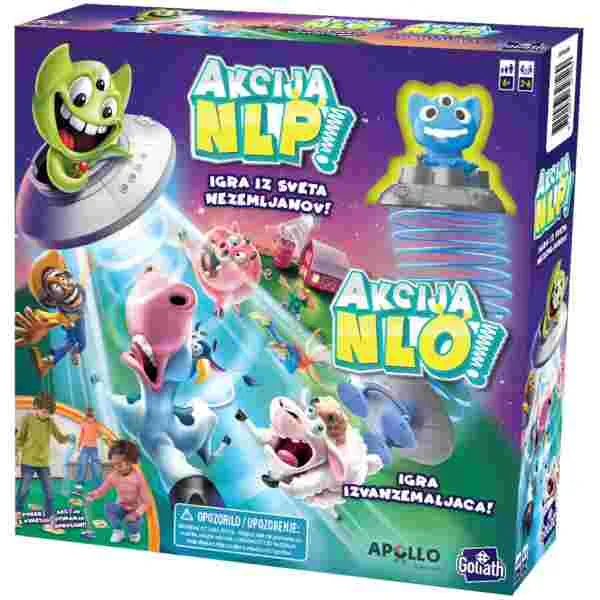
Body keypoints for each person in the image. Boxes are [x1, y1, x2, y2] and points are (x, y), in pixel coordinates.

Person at [16, 392, 74, 534]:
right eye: (44, 412)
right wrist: (15, 451)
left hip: (43, 464)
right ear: (36, 407)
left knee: (50, 493)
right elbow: (20, 438)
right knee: (24, 490)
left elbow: (59, 438)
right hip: (28, 461)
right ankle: (16, 513)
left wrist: (68, 437)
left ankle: (49, 521)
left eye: (49, 413)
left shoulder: (49, 422)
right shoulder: (27, 419)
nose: (46, 415)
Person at [86, 440, 151, 544]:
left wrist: (136, 514)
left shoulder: (139, 477)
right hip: (121, 507)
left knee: (133, 524)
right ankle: (118, 531)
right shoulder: (113, 476)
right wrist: (94, 494)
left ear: (130, 462)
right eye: (113, 464)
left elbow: (146, 502)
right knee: (108, 507)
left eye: (119, 465)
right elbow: (102, 490)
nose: (116, 468)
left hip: (135, 510)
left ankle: (134, 533)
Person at [74, 408, 103, 492]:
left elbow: (100, 434)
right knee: (82, 464)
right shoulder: (83, 424)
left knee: (95, 466)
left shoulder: (96, 424)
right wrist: (78, 446)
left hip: (94, 448)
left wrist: (98, 434)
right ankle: (80, 482)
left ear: (94, 417)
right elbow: (81, 435)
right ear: (86, 416)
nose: (90, 419)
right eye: (88, 417)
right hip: (85, 447)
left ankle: (97, 484)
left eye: (92, 417)